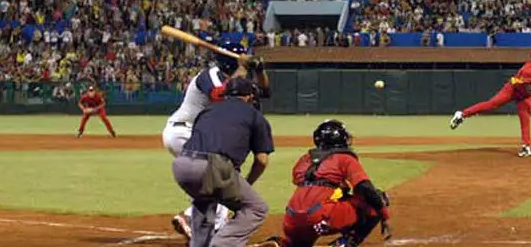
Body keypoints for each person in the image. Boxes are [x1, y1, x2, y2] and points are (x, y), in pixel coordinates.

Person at [249, 120, 392, 247]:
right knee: (376, 199)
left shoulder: (305, 159)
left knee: (296, 243)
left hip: (291, 219)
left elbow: (300, 180)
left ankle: (278, 243)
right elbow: (364, 188)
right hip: (320, 217)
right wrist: (384, 214)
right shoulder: (345, 158)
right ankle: (344, 243)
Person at [172, 77, 274, 247]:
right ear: (249, 97)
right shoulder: (255, 115)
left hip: (181, 164)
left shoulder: (208, 109)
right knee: (256, 208)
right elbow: (261, 161)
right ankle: (222, 244)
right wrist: (247, 182)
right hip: (212, 166)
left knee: (205, 201)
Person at [164, 36, 246, 240]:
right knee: (220, 176)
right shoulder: (209, 74)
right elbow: (219, 94)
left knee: (217, 179)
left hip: (193, 135)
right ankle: (194, 219)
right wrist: (242, 70)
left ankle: (203, 221)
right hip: (183, 132)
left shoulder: (231, 79)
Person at [449, 47, 531, 157]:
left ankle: (526, 146)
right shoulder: (527, 70)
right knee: (491, 104)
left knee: (525, 118)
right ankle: (462, 114)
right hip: (513, 89)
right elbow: (530, 89)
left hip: (525, 95)